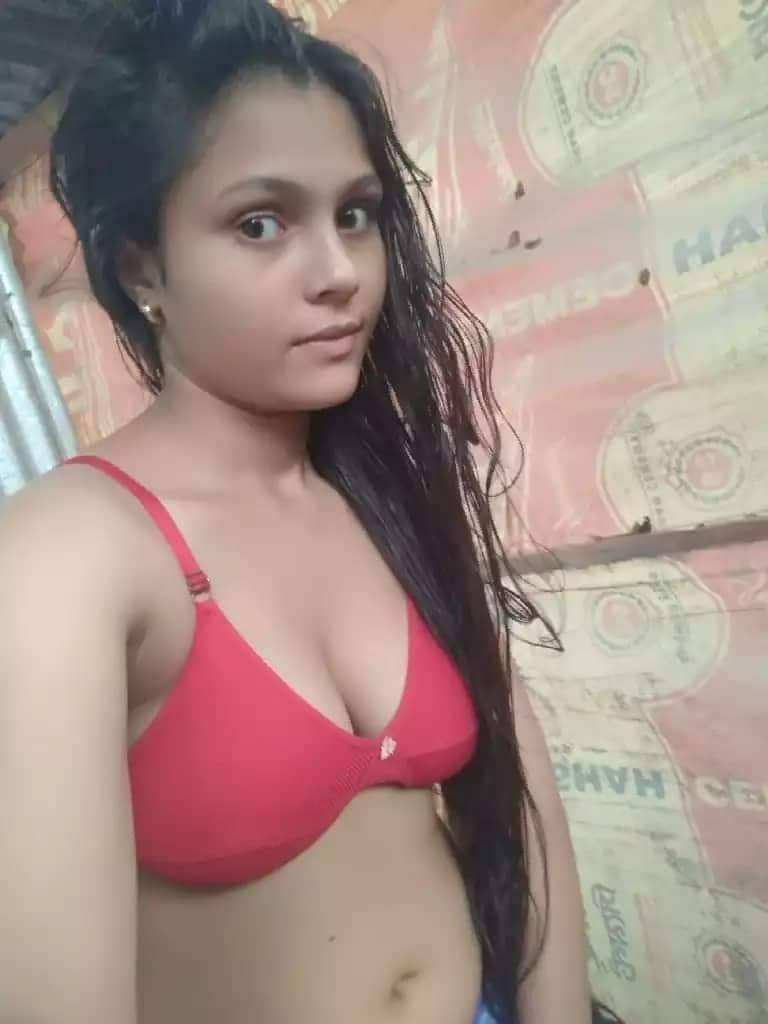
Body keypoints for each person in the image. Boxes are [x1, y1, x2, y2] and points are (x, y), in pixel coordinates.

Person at [0, 3, 615, 1022]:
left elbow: (526, 810)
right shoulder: (66, 558)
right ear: (143, 268)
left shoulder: (388, 499)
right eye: (261, 223)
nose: (337, 273)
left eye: (355, 215)